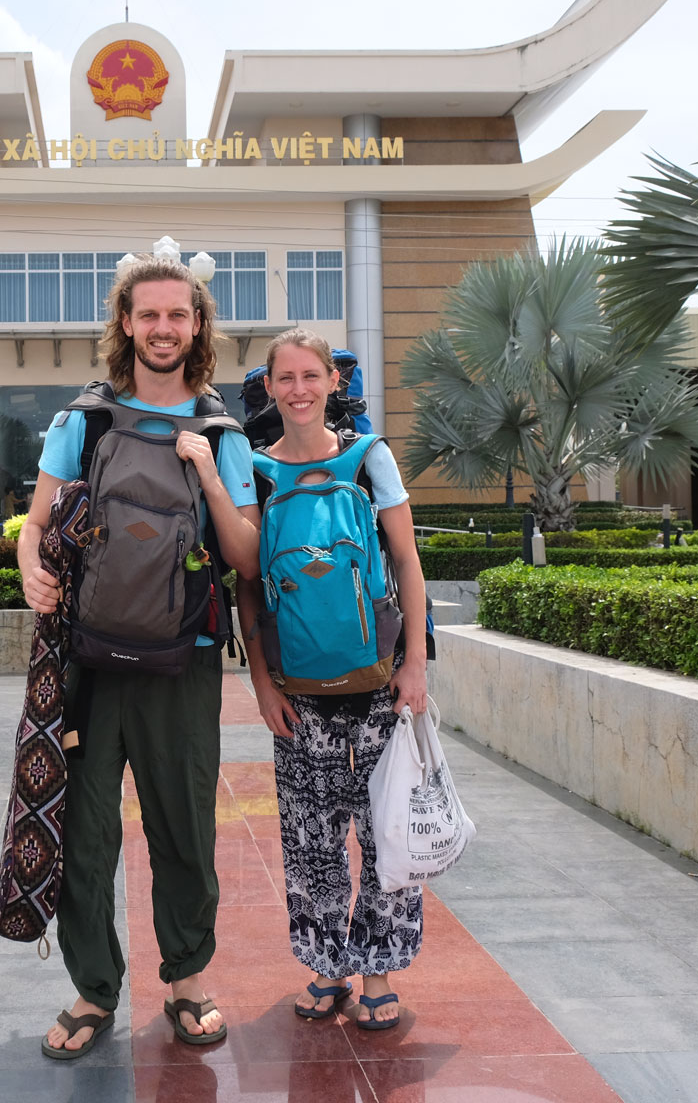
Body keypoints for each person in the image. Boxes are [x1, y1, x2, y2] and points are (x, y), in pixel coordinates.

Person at [19, 254, 260, 1059]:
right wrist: (30, 574)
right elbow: (36, 522)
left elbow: (246, 555)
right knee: (86, 831)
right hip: (89, 658)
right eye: (149, 315)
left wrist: (211, 476)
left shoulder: (223, 431)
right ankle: (94, 989)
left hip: (184, 659)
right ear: (126, 322)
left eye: (178, 316)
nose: (164, 329)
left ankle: (187, 979)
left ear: (198, 327)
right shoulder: (83, 421)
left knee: (183, 822)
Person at [235, 328, 429, 1032]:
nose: (299, 390)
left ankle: (377, 969)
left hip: (377, 678)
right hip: (297, 689)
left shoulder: (369, 457)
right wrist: (261, 683)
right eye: (285, 378)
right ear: (270, 386)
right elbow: (247, 585)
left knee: (384, 828)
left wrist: (415, 665)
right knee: (309, 833)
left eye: (310, 375)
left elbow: (406, 561)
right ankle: (326, 966)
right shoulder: (255, 470)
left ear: (333, 383)